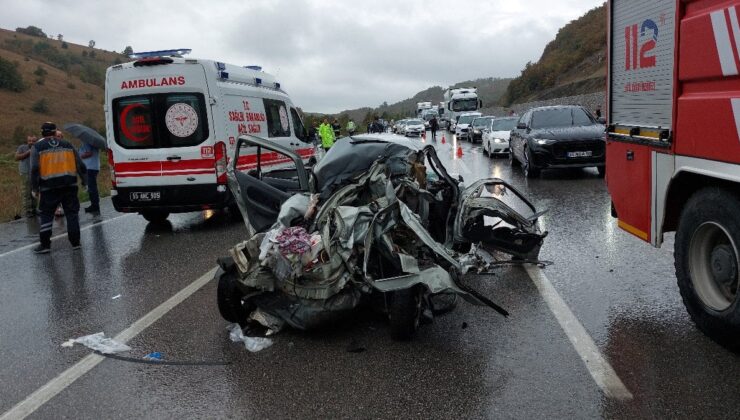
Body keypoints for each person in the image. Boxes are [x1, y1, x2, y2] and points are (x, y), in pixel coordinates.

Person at [30, 122, 87, 254]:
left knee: (47, 215)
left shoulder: (37, 147)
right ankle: (75, 242)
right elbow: (80, 165)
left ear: (42, 133)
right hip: (69, 185)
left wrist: (34, 188)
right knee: (72, 213)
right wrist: (85, 181)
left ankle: (45, 245)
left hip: (49, 188)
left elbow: (34, 169)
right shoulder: (67, 144)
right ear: (55, 132)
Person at [15, 134, 38, 217]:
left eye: (33, 141)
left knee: (34, 191)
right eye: (29, 141)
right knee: (26, 193)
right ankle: (28, 211)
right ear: (27, 141)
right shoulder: (22, 147)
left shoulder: (38, 147)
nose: (31, 142)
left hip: (34, 173)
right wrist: (28, 152)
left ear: (36, 141)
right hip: (25, 172)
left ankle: (34, 209)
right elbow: (16, 157)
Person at [78, 137, 101, 213]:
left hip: (89, 167)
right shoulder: (93, 143)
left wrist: (79, 157)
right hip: (94, 166)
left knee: (92, 188)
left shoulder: (87, 142)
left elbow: (89, 153)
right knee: (92, 187)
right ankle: (95, 204)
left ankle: (95, 206)